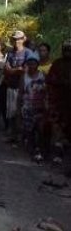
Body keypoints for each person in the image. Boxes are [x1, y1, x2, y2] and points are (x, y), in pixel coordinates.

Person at [4, 30, 33, 143]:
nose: (16, 41)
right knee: (11, 112)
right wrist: (16, 70)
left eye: (19, 39)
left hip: (23, 88)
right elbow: (6, 69)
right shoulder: (11, 53)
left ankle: (24, 137)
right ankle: (13, 136)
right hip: (11, 86)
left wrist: (12, 70)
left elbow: (25, 70)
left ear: (23, 39)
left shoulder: (28, 53)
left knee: (22, 113)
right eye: (15, 39)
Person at [46, 39, 71, 169]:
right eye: (65, 49)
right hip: (58, 102)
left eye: (69, 49)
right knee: (58, 130)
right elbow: (50, 80)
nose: (67, 52)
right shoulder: (57, 64)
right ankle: (57, 155)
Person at [20, 55, 46, 162]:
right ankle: (31, 147)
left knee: (40, 128)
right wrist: (18, 108)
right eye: (29, 63)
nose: (31, 66)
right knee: (29, 128)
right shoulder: (24, 77)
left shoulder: (42, 75)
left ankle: (41, 149)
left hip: (40, 107)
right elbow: (20, 93)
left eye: (33, 63)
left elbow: (47, 90)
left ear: (37, 65)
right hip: (27, 107)